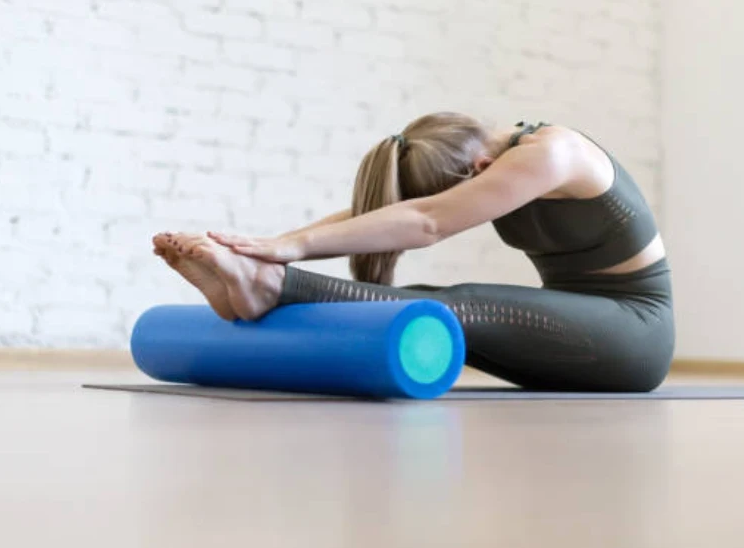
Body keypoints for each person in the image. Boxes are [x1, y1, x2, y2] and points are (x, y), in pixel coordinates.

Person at [152, 113, 674, 392]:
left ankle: (269, 289)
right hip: (581, 337)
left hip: (635, 332)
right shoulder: (491, 158)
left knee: (462, 302)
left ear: (480, 169)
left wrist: (284, 255)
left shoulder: (552, 155)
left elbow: (425, 221)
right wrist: (271, 246)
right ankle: (258, 282)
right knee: (423, 307)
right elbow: (373, 214)